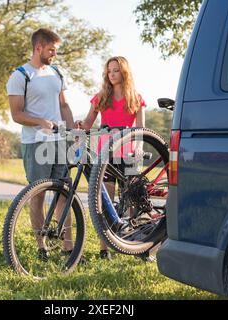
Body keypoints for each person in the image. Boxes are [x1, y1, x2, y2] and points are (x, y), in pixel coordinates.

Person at [6, 28, 75, 262]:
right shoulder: (20, 76)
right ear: (39, 48)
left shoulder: (56, 73)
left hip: (59, 141)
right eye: (51, 50)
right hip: (36, 143)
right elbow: (16, 114)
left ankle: (68, 247)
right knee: (38, 194)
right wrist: (40, 121)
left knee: (65, 194)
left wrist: (72, 131)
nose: (54, 55)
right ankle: (42, 246)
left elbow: (64, 106)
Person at [74, 56, 147, 261]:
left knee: (132, 199)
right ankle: (104, 249)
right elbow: (89, 123)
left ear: (124, 72)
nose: (112, 74)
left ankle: (137, 246)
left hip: (128, 153)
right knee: (105, 201)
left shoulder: (136, 98)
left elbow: (140, 128)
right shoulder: (100, 97)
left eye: (115, 70)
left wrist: (139, 147)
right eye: (109, 71)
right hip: (105, 154)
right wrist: (80, 124)